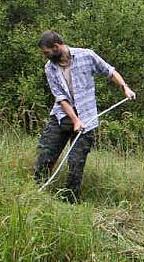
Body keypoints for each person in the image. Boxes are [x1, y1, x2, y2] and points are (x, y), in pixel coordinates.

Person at [33, 31, 136, 203]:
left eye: (46, 52)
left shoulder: (86, 55)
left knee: (75, 163)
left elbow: (110, 71)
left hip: (87, 119)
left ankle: (69, 202)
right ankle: (36, 193)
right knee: (46, 155)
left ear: (57, 47)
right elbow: (60, 98)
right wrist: (74, 120)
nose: (45, 56)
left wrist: (125, 87)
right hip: (61, 117)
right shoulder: (49, 68)